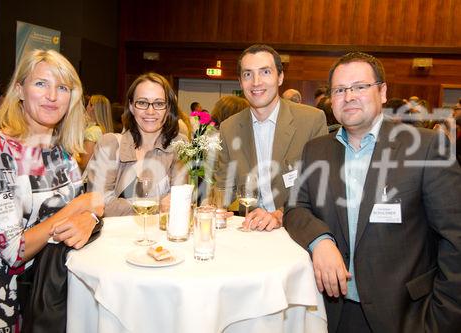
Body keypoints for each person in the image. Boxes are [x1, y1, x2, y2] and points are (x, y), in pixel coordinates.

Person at [284, 52, 461, 332]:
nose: (349, 96)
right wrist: (320, 240)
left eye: (360, 87)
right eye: (340, 90)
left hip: (406, 316)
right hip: (331, 313)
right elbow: (295, 208)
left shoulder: (426, 148)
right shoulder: (316, 149)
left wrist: (441, 319)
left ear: (382, 91)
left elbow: (456, 240)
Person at [0, 49, 104, 332]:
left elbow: (91, 208)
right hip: (0, 305)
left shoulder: (62, 154)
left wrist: (92, 216)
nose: (52, 95)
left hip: (50, 297)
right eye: (41, 83)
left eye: (62, 87)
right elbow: (14, 249)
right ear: (20, 90)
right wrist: (78, 207)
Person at [215, 44, 328, 231]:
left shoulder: (312, 121)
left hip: (293, 229)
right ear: (240, 81)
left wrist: (280, 214)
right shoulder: (229, 128)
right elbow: (223, 189)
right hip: (247, 228)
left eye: (265, 72)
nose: (256, 82)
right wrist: (217, 208)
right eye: (247, 74)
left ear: (280, 77)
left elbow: (319, 186)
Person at [86, 72, 187, 217]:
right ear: (131, 106)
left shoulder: (179, 145)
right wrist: (158, 205)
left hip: (160, 237)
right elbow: (99, 204)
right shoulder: (110, 145)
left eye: (159, 103)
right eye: (142, 103)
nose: (150, 111)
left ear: (168, 108)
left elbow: (178, 202)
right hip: (116, 237)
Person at [77, 94, 114, 170]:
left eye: (88, 104)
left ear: (92, 108)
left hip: (88, 180)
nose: (86, 107)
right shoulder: (105, 130)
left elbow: (84, 164)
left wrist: (73, 155)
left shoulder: (92, 132)